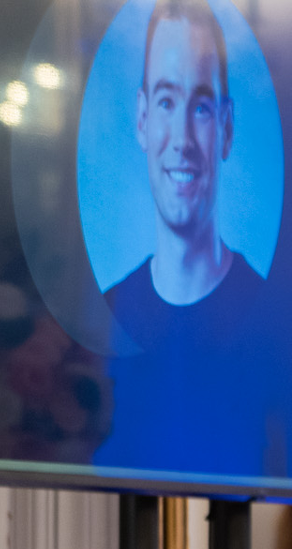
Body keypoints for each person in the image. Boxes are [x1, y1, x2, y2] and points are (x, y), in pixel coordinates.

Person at [93, 0, 280, 476]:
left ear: (227, 128)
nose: (181, 139)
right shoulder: (105, 317)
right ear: (142, 119)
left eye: (200, 107)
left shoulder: (279, 326)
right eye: (166, 102)